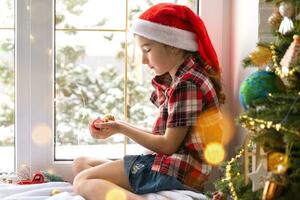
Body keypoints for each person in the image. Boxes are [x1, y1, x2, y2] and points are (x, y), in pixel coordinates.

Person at [72, 3, 225, 200]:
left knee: (82, 181)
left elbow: (167, 145)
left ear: (174, 47)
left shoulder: (187, 84)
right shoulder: (183, 78)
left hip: (177, 170)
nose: (144, 60)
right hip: (170, 164)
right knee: (80, 162)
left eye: (147, 49)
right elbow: (165, 137)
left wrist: (120, 128)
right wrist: (117, 126)